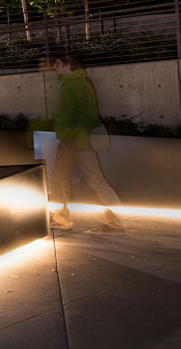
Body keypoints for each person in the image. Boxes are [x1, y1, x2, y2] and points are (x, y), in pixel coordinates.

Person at [43, 51, 127, 234]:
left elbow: (86, 117)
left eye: (57, 63)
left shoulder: (78, 85)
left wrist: (79, 142)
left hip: (76, 143)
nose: (53, 67)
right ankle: (62, 218)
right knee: (60, 178)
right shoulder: (70, 85)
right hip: (69, 142)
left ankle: (116, 221)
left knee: (95, 180)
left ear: (68, 65)